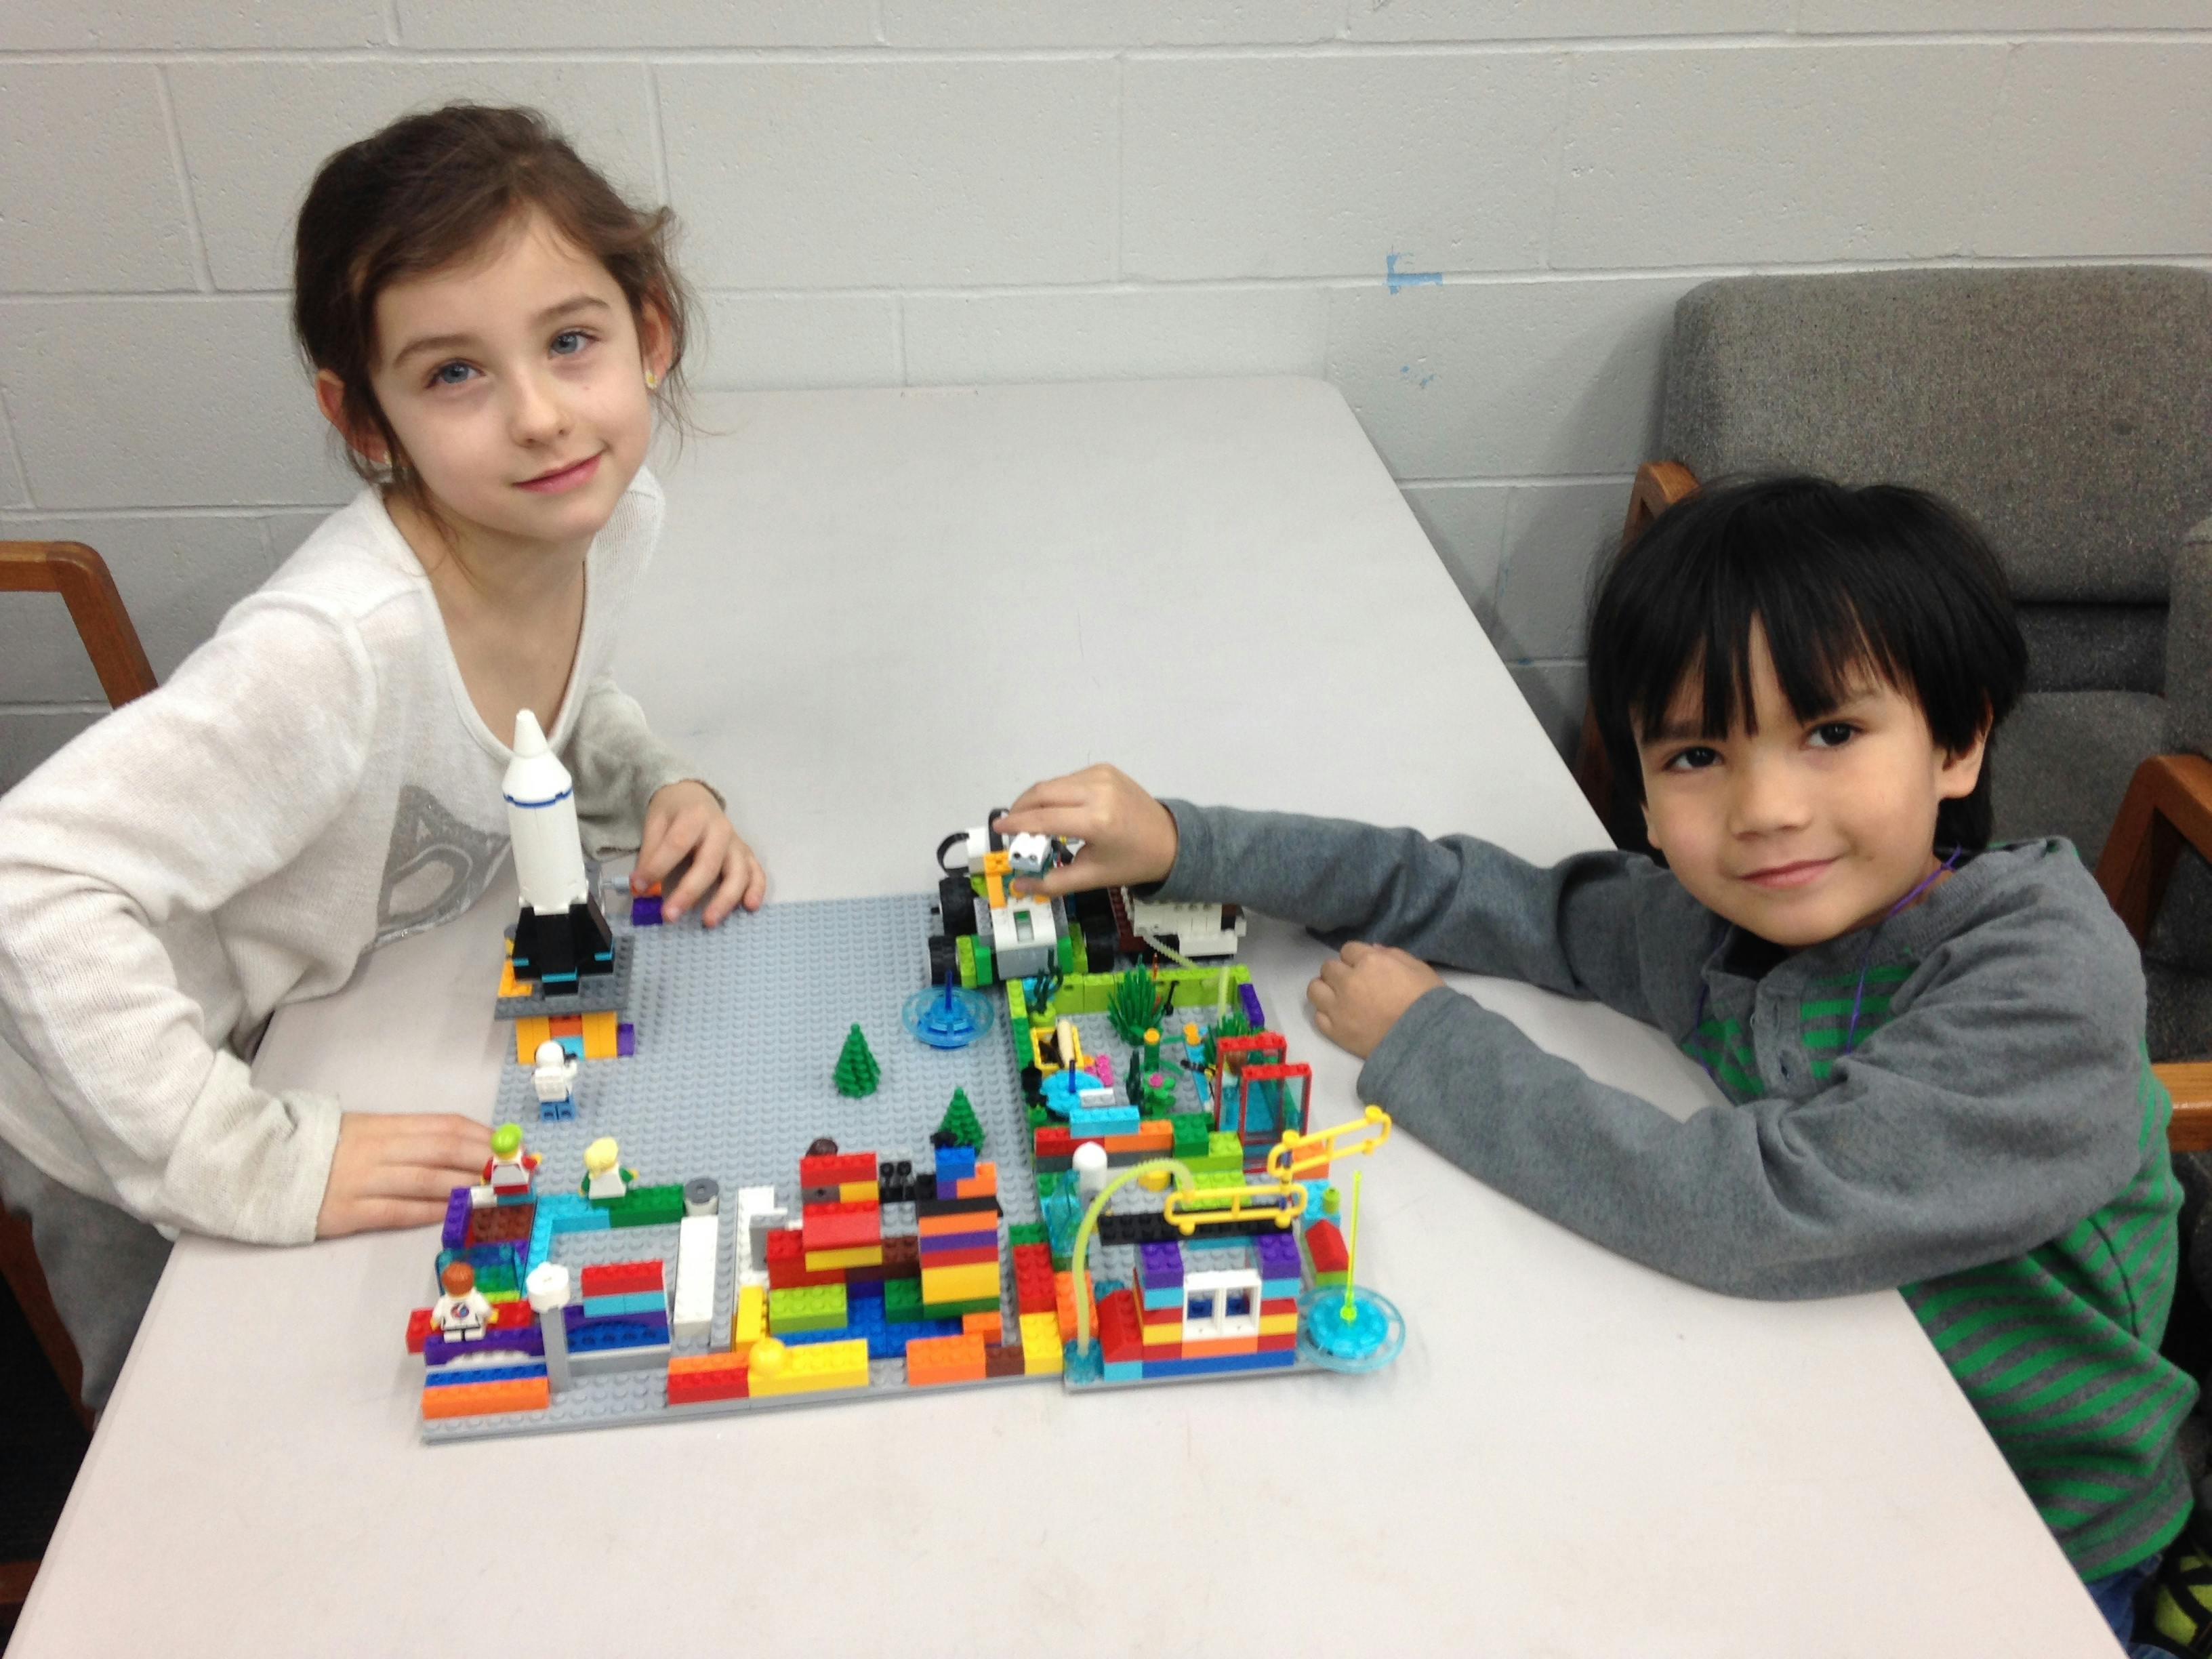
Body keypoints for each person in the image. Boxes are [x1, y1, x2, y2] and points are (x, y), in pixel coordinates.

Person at [998, 476, 2194, 1650]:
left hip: (2026, 1525)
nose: (1765, 808)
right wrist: (1187, 844)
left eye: (1832, 734)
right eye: (1695, 757)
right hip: (1795, 1418)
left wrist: (1427, 1043)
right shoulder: (1721, 914)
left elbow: (1760, 1206)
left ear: (1960, 740)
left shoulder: (2042, 974)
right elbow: (1476, 895)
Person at [0, 103, 763, 1409]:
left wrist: (656, 781)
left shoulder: (607, 511)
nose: (539, 417)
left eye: (570, 342)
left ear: (649, 334)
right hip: (121, 1097)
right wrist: (241, 1156)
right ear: (365, 418)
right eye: (454, 373)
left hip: (303, 1020)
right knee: (185, 1432)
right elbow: (30, 879)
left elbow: (549, 700)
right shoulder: (334, 651)